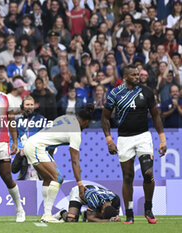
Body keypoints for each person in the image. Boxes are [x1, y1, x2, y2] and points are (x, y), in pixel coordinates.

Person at [101, 65, 167, 224]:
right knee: (128, 177)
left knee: (148, 173)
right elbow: (105, 118)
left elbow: (156, 116)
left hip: (143, 137)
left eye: (138, 74)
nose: (138, 77)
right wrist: (109, 140)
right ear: (125, 76)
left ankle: (148, 208)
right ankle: (129, 213)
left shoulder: (147, 92)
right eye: (134, 75)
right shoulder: (115, 94)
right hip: (124, 139)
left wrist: (162, 139)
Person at [23, 104, 94, 222]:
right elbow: (75, 161)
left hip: (33, 144)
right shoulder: (76, 132)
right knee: (58, 178)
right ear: (86, 122)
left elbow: (51, 137)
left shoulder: (66, 117)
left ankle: (46, 214)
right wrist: (80, 184)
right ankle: (47, 215)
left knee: (48, 179)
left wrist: (50, 159)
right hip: (37, 147)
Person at [0, 72, 26, 222]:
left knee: (7, 176)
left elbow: (11, 120)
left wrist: (14, 141)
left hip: (2, 142)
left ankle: (20, 209)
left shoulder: (4, 98)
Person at [54, 185, 121, 222]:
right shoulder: (95, 200)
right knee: (71, 220)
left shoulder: (115, 199)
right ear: (102, 211)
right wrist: (108, 220)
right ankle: (62, 212)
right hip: (79, 194)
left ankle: (85, 213)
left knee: (98, 212)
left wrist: (116, 217)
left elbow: (115, 212)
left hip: (94, 192)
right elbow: (90, 218)